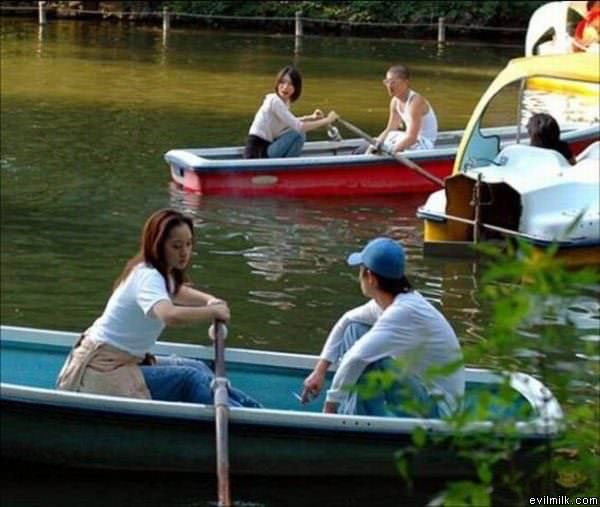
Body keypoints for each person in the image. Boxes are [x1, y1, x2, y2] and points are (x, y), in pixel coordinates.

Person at [57, 208, 261, 408]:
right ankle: (247, 421)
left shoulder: (162, 273)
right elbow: (169, 315)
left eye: (189, 244)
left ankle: (252, 411)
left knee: (197, 367)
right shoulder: (149, 276)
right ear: (159, 246)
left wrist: (210, 300)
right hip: (103, 368)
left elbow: (176, 291)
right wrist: (212, 312)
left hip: (122, 360)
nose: (185, 253)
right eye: (176, 246)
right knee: (189, 378)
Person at [301, 237, 464, 418]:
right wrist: (319, 371)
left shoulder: (403, 311)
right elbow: (346, 320)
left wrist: (329, 407)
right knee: (355, 329)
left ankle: (352, 420)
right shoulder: (391, 302)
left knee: (370, 357)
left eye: (361, 270)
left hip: (439, 412)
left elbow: (356, 358)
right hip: (421, 392)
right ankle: (358, 415)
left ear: (371, 278)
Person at [244, 65, 339, 159]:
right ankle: (288, 167)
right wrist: (327, 120)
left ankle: (286, 167)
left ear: (296, 88)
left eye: (290, 84)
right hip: (257, 153)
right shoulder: (275, 101)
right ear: (277, 83)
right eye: (282, 82)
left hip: (268, 148)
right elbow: (299, 127)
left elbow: (288, 123)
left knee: (298, 133)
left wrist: (310, 117)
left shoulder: (284, 102)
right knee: (299, 133)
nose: (285, 87)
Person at [367, 64, 438, 155]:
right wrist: (376, 143)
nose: (389, 86)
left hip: (423, 142)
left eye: (393, 82)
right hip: (411, 139)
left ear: (406, 83)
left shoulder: (415, 102)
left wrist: (392, 151)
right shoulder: (395, 102)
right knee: (383, 139)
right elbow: (391, 128)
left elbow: (412, 137)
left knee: (390, 143)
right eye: (387, 82)